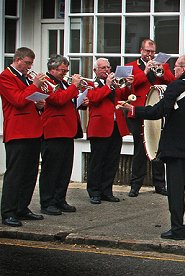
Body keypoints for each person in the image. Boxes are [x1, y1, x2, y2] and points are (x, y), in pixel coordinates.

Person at [118, 55, 185, 240]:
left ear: (181, 69)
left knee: (176, 191)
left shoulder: (175, 87)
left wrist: (133, 109)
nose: (173, 70)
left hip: (176, 148)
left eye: (175, 67)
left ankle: (177, 229)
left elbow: (157, 111)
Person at [0, 47, 46, 227]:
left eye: (30, 63)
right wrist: (34, 85)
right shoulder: (5, 76)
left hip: (33, 130)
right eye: (27, 63)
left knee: (30, 172)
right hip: (17, 131)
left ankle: (22, 207)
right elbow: (17, 100)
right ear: (17, 59)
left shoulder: (24, 78)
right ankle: (8, 211)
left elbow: (27, 101)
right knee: (15, 174)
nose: (29, 66)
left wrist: (39, 105)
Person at [125, 38, 176, 197]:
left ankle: (160, 184)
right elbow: (129, 88)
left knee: (159, 148)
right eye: (147, 51)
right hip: (139, 111)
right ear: (141, 51)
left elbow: (172, 82)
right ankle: (135, 185)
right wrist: (145, 71)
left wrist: (161, 69)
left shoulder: (164, 65)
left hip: (157, 111)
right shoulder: (131, 67)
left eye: (152, 52)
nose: (150, 54)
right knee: (140, 149)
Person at [39, 54, 84, 215]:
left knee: (65, 169)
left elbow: (67, 100)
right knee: (51, 169)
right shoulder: (46, 82)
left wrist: (80, 100)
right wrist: (74, 87)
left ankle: (59, 199)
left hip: (67, 130)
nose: (65, 73)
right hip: (53, 131)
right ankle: (47, 202)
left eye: (66, 70)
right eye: (61, 70)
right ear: (52, 69)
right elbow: (57, 100)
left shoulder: (63, 83)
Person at [86, 58, 134, 204]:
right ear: (95, 70)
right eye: (103, 68)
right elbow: (93, 99)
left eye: (108, 67)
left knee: (111, 161)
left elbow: (124, 96)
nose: (107, 70)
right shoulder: (91, 84)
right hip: (100, 127)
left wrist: (128, 85)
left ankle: (107, 190)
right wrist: (107, 85)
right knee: (97, 161)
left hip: (115, 126)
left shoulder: (114, 84)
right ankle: (94, 191)